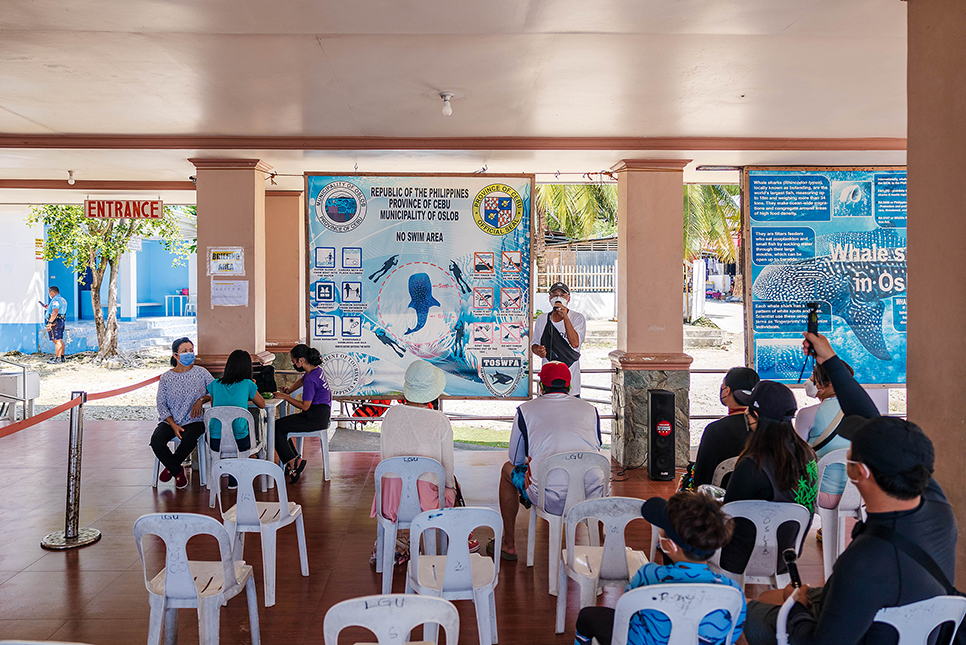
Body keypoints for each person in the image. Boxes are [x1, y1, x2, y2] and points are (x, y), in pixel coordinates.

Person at [742, 333, 957, 645]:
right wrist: (828, 358)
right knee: (773, 597)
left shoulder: (863, 562)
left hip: (860, 629)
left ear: (858, 472)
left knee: (739, 616)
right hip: (910, 622)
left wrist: (796, 608)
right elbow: (866, 415)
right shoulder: (936, 505)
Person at [574, 492, 745, 645]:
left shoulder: (648, 575)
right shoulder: (732, 591)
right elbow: (733, 633)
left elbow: (627, 614)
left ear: (671, 546)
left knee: (587, 616)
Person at [492, 361, 602, 561]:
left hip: (549, 497)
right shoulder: (590, 409)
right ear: (569, 386)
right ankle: (600, 545)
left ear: (541, 386)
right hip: (591, 496)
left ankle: (509, 544)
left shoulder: (526, 410)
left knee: (507, 470)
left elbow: (515, 459)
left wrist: (533, 463)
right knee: (599, 480)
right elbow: (595, 448)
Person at [719, 381, 817, 576]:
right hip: (787, 554)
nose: (746, 413)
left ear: (756, 417)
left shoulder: (753, 464)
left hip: (741, 558)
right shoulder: (807, 455)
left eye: (749, 409)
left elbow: (729, 513)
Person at [370, 360, 457, 520]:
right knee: (453, 488)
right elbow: (447, 469)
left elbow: (385, 454)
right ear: (433, 391)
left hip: (390, 501)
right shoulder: (439, 419)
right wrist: (451, 487)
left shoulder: (391, 415)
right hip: (426, 505)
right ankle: (460, 536)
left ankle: (400, 537)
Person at [150, 337, 213, 489]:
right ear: (175, 355)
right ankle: (177, 471)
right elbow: (161, 404)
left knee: (189, 438)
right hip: (170, 420)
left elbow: (216, 392)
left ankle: (171, 467)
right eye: (184, 351)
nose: (189, 354)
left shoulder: (201, 373)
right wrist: (173, 424)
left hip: (194, 420)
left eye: (191, 350)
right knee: (156, 440)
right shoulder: (166, 378)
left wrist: (201, 400)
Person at [194, 349, 266, 482]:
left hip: (215, 440)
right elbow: (261, 404)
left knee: (226, 432)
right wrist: (252, 388)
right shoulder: (248, 384)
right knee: (245, 430)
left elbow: (214, 405)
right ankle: (235, 479)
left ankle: (222, 478)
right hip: (240, 441)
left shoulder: (215, 384)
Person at [271, 344, 332, 484]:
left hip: (315, 417)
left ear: (301, 361)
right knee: (280, 426)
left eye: (294, 361)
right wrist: (289, 390)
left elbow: (305, 406)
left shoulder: (311, 379)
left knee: (276, 428)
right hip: (321, 414)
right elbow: (301, 380)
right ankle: (294, 459)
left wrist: (285, 397)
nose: (294, 364)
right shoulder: (315, 371)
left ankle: (293, 462)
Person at [692, 367, 760, 487]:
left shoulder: (715, 430)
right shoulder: (770, 427)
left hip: (722, 502)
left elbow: (701, 480)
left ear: (727, 391)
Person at [805, 361, 854, 524]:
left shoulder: (807, 414)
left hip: (821, 495)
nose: (809, 381)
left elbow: (797, 454)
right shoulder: (861, 412)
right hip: (859, 494)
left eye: (813, 377)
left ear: (826, 384)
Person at [532, 282, 587, 394]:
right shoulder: (542, 319)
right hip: (548, 382)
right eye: (555, 294)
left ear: (568, 299)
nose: (558, 297)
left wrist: (565, 317)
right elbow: (534, 344)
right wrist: (538, 350)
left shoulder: (577, 318)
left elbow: (575, 343)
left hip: (571, 381)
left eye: (562, 295)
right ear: (550, 298)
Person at [39, 286, 68, 364]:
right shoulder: (62, 299)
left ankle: (57, 359)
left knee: (56, 340)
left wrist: (50, 323)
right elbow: (56, 309)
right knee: (60, 340)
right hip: (61, 320)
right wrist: (48, 307)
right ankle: (62, 357)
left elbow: (55, 311)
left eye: (49, 293)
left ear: (51, 292)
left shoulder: (55, 300)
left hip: (55, 321)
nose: (49, 294)